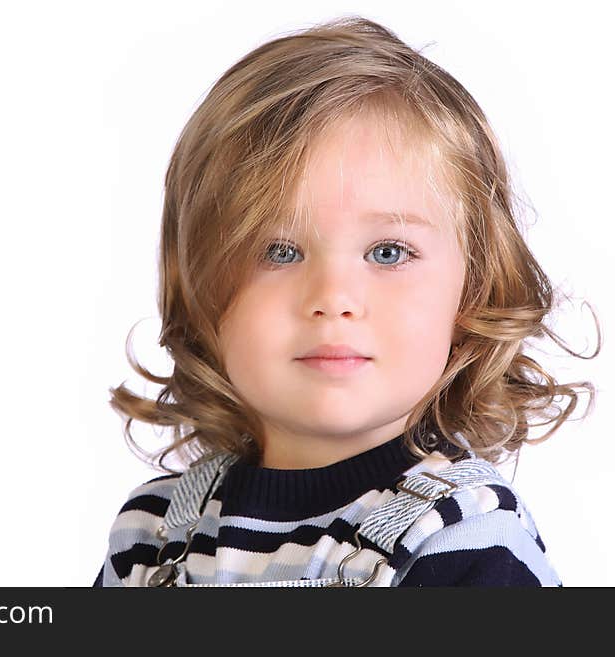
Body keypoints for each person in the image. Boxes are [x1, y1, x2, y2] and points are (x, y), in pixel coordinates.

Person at [93, 15, 599, 587]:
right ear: (198, 287)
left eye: (388, 253)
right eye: (279, 251)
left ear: (472, 290)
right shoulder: (152, 535)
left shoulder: (465, 538)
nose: (333, 299)